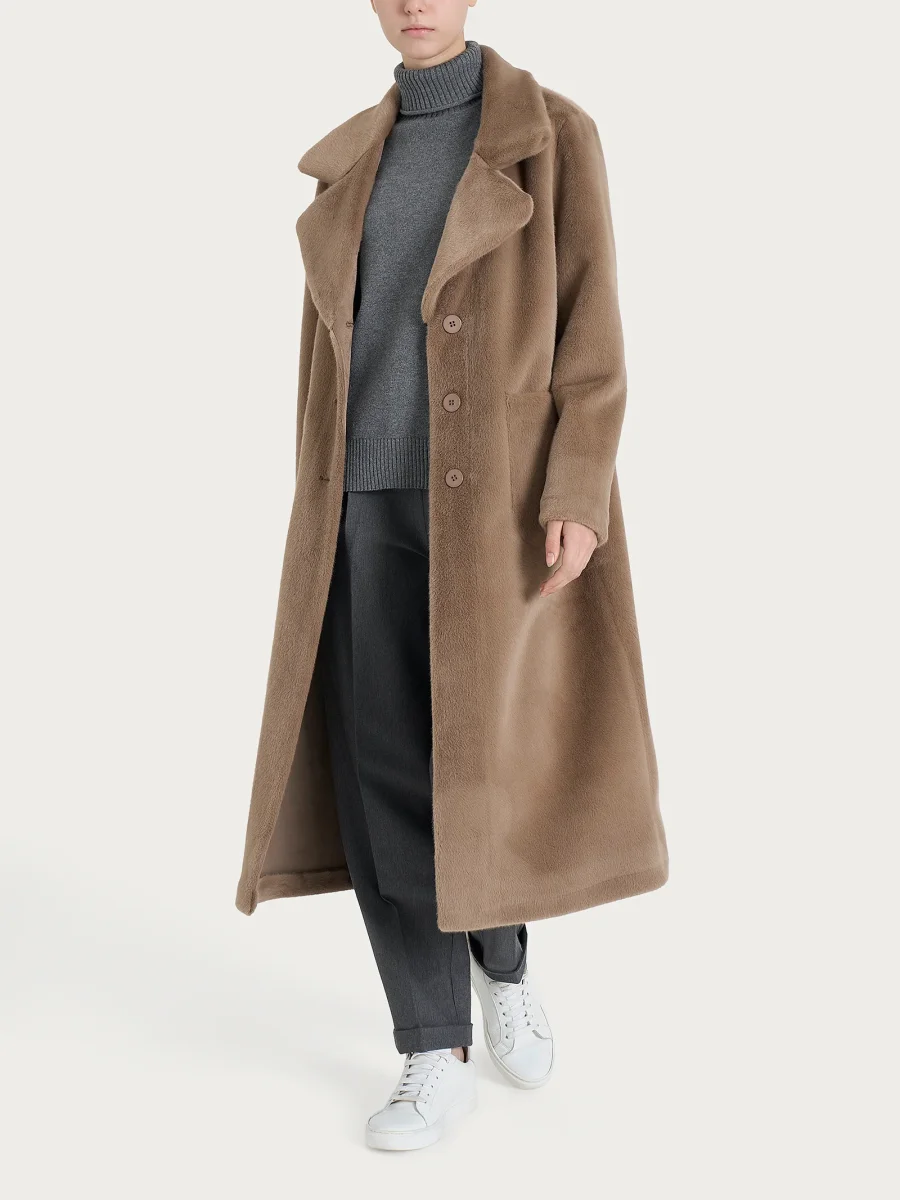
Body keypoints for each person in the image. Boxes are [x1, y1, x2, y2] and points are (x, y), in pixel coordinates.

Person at [235, 0, 668, 1152]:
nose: (413, 3)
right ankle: (433, 1044)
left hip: (501, 509)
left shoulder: (553, 134)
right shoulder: (349, 164)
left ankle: (503, 962)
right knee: (384, 776)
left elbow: (594, 335)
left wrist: (578, 490)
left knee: (487, 769)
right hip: (362, 502)